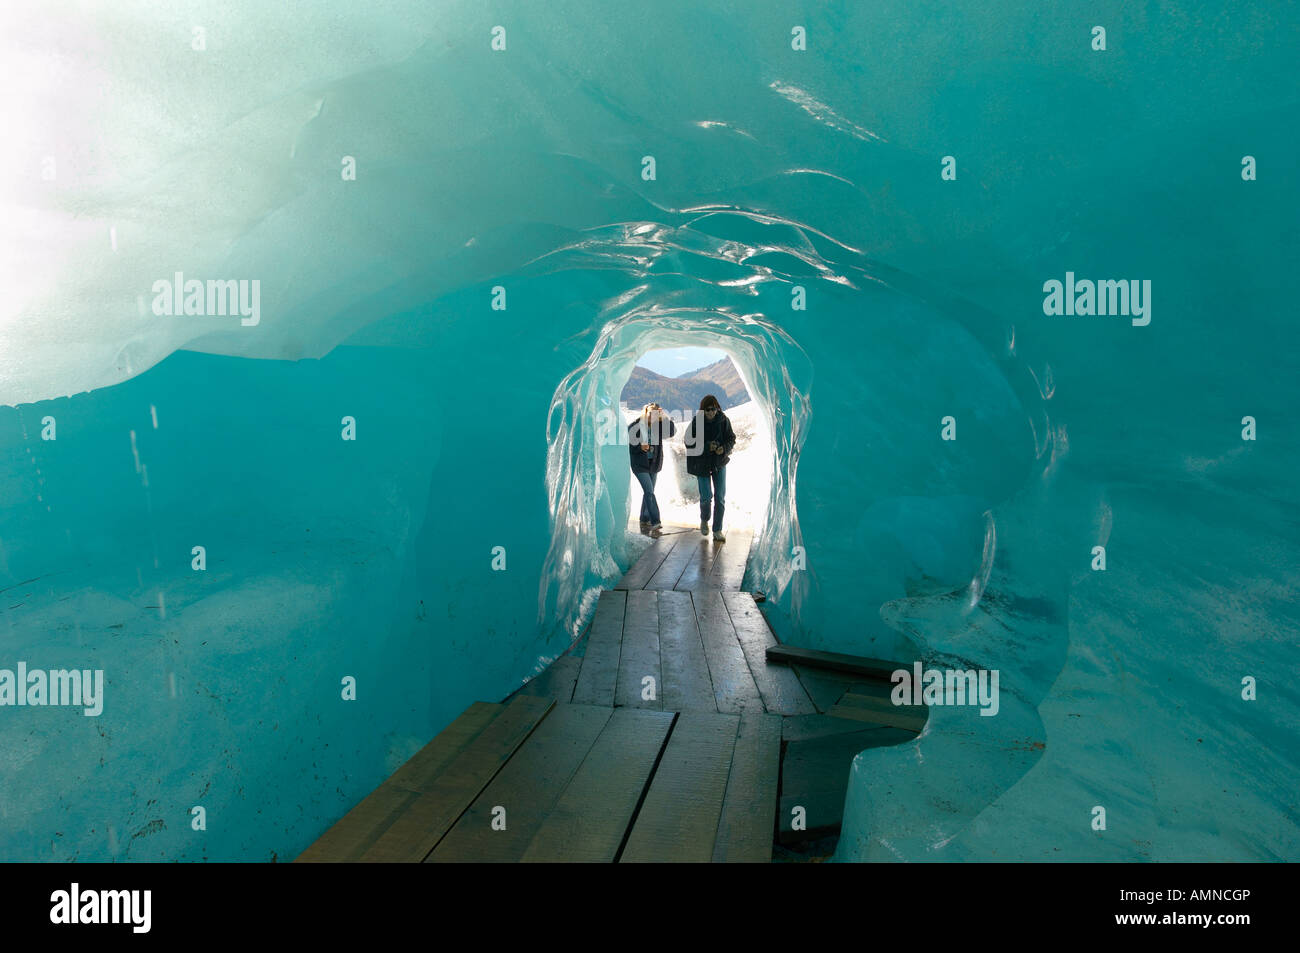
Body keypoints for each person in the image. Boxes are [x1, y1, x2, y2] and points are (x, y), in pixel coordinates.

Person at [684, 394, 735, 541]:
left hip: (719, 463)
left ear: (717, 408)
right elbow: (688, 441)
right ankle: (704, 519)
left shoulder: (723, 420)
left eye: (713, 409)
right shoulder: (696, 422)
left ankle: (717, 530)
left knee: (720, 498)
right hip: (702, 464)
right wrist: (707, 447)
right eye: (707, 409)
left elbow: (731, 438)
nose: (711, 412)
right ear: (703, 410)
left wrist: (723, 448)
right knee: (706, 497)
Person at [628, 402, 675, 536]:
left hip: (654, 463)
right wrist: (639, 447)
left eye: (656, 413)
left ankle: (644, 519)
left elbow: (671, 432)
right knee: (649, 491)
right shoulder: (635, 426)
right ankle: (655, 521)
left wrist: (665, 416)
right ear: (645, 412)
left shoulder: (658, 426)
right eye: (650, 412)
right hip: (639, 464)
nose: (652, 415)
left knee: (649, 491)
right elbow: (627, 444)